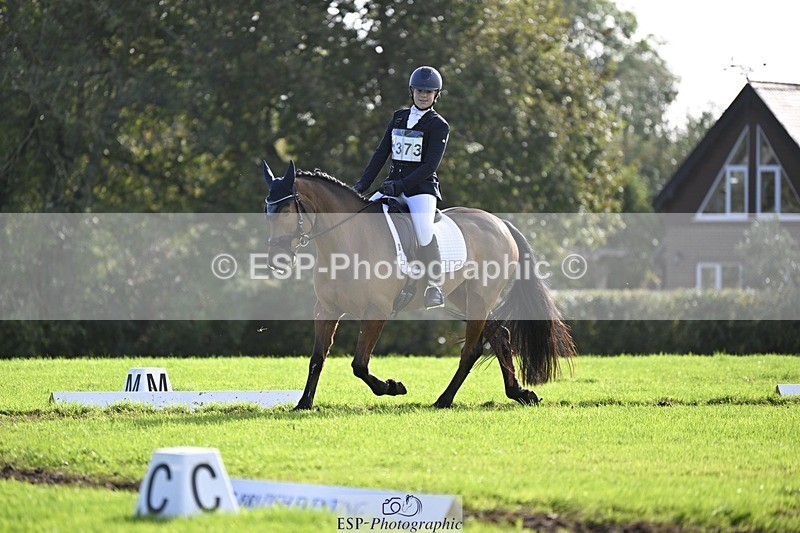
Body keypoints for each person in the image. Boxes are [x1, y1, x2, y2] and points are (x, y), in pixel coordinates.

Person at [353, 66, 450, 309]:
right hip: (392, 186)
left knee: (424, 230)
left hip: (421, 190)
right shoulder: (398, 117)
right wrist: (361, 185)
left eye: (429, 92)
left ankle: (434, 285)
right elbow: (381, 153)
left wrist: (402, 185)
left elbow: (429, 165)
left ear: (436, 95)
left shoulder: (438, 125)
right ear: (412, 91)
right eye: (419, 91)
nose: (423, 95)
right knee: (362, 217)